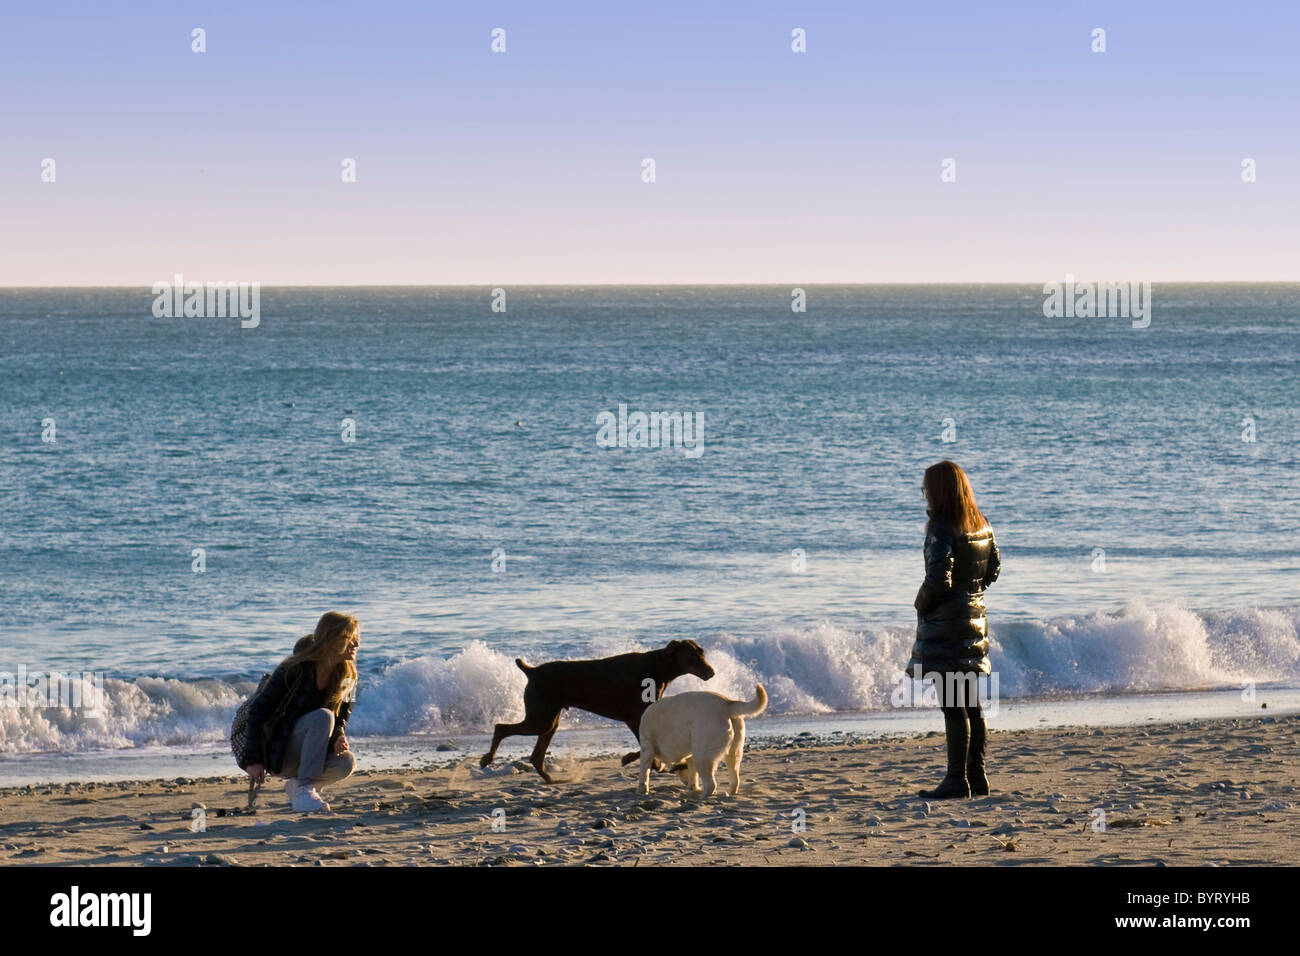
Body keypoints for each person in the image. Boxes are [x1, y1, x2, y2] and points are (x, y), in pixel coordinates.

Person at [907, 461, 1000, 799]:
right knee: (971, 703)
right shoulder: (981, 524)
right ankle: (977, 776)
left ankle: (955, 780)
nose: (924, 494)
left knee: (952, 705)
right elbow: (993, 571)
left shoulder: (942, 528)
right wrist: (971, 594)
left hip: (946, 628)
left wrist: (919, 604)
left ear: (939, 490)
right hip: (974, 622)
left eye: (926, 488)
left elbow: (937, 581)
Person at [244, 612, 360, 812]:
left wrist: (338, 737)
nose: (356, 645)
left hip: (310, 755)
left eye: (357, 639)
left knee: (346, 763)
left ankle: (299, 787)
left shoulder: (348, 676)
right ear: (331, 639)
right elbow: (257, 711)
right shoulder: (294, 669)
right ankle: (305, 791)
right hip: (281, 752)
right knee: (323, 716)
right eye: (350, 638)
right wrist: (253, 760)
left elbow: (342, 718)